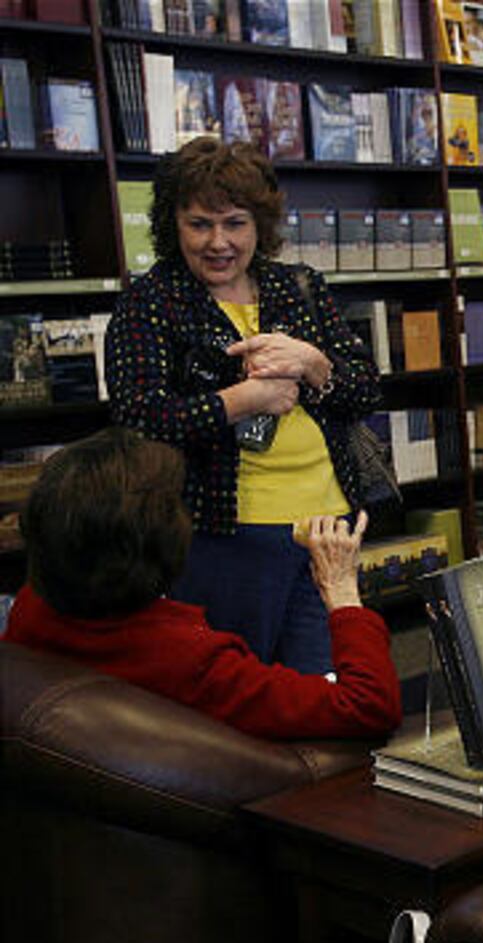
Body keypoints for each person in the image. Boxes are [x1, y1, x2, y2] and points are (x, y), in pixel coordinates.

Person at [103, 137, 382, 674]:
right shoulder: (151, 302)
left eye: (235, 223)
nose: (218, 242)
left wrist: (313, 364)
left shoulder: (297, 287)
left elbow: (366, 390)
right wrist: (240, 401)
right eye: (200, 224)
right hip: (224, 535)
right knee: (236, 695)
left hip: (330, 531)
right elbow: (138, 419)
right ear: (173, 224)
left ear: (260, 225)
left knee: (326, 690)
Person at [3, 427, 400, 741]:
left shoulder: (30, 608)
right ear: (160, 541)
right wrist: (343, 591)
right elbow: (368, 706)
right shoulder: (193, 659)